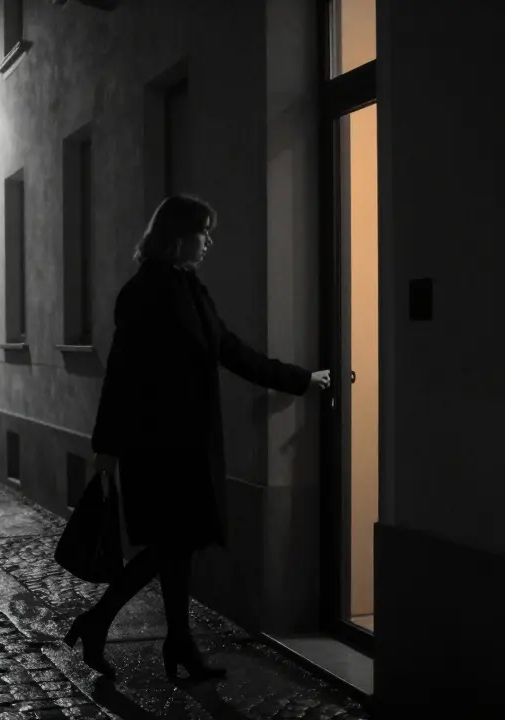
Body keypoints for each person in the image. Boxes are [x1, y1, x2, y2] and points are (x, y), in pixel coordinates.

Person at [64, 194, 332, 681]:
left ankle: (177, 645)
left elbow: (231, 350)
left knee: (178, 547)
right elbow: (120, 374)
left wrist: (301, 378)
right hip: (155, 447)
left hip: (188, 445)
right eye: (203, 232)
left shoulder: (191, 288)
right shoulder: (142, 292)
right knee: (170, 546)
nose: (208, 242)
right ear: (178, 236)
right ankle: (101, 622)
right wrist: (105, 448)